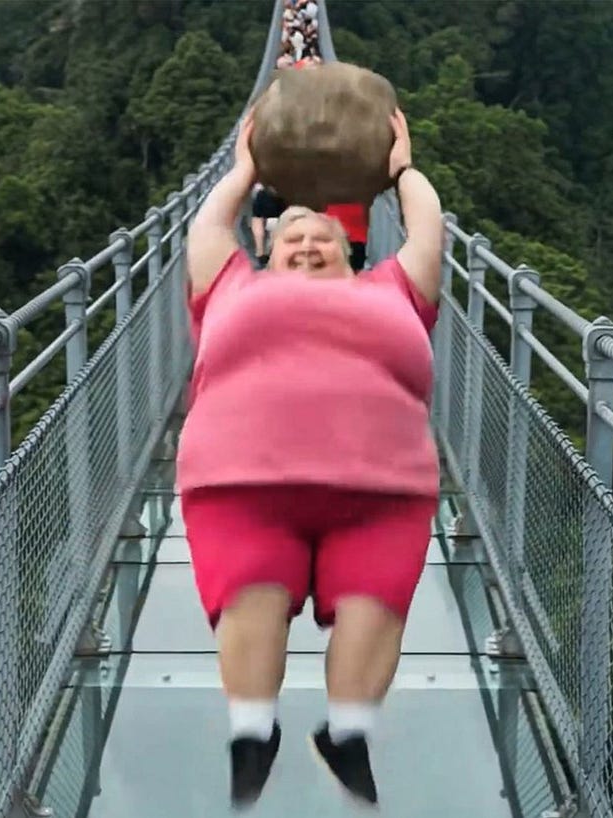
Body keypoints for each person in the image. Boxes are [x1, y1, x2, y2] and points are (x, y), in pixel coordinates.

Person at [177, 108, 443, 809]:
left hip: (383, 487)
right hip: (244, 481)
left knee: (373, 603)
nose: (304, 244)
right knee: (252, 592)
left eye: (321, 238)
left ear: (353, 252)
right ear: (265, 251)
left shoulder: (392, 290)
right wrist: (243, 172)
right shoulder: (232, 286)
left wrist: (401, 170)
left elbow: (428, 233)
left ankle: (347, 735)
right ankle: (251, 734)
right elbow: (205, 231)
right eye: (291, 236)